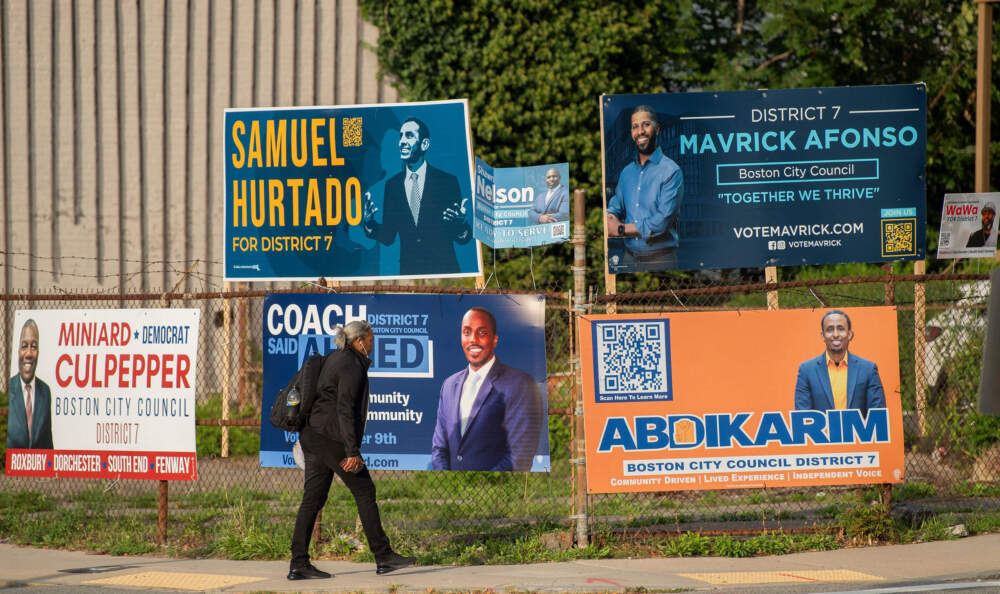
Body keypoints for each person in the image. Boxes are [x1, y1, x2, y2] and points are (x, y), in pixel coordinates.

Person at [288, 320, 415, 580]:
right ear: (360, 341)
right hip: (330, 438)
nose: (373, 344)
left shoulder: (338, 357)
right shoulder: (351, 365)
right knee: (365, 490)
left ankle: (298, 563)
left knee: (313, 498)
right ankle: (383, 556)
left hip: (313, 435)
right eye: (371, 340)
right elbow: (345, 409)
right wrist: (352, 451)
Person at [431, 307, 543, 471]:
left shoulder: (520, 384)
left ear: (494, 340)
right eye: (467, 332)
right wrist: (449, 481)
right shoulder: (449, 385)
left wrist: (482, 485)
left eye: (482, 333)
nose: (473, 339)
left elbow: (520, 454)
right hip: (450, 489)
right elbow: (439, 449)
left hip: (498, 489)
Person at [362, 117, 473, 275]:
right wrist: (369, 223)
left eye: (409, 135)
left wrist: (460, 224)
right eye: (400, 136)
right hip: (410, 275)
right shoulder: (392, 186)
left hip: (445, 274)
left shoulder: (447, 182)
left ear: (424, 144)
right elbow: (388, 237)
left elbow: (463, 238)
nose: (402, 141)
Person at [606, 105, 683, 271]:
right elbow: (615, 205)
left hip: (661, 260)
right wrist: (610, 216)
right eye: (635, 126)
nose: (640, 131)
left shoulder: (671, 171)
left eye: (646, 124)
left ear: (657, 129)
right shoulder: (626, 173)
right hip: (629, 259)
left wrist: (620, 229)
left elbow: (661, 222)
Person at [794, 310, 886, 416]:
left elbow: (877, 415)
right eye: (829, 329)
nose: (836, 334)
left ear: (850, 334)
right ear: (822, 336)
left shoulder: (868, 369)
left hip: (858, 433)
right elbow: (802, 417)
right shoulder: (807, 370)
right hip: (822, 433)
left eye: (841, 329)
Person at [7, 319, 53, 450]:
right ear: (18, 351)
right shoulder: (8, 390)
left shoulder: (45, 392)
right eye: (24, 346)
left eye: (33, 347)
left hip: (37, 469)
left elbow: (48, 443)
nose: (28, 354)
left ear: (38, 353)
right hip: (10, 468)